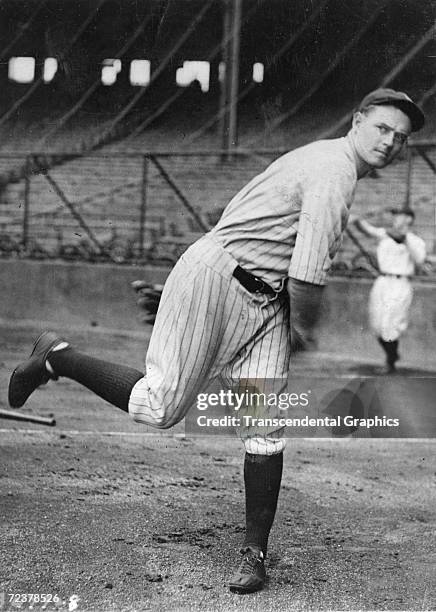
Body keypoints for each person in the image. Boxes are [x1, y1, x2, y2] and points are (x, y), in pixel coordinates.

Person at [8, 88, 425, 594]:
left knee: (265, 427)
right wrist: (300, 329)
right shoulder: (332, 167)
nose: (390, 141)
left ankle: (254, 553)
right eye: (382, 127)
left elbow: (258, 231)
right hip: (224, 279)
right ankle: (59, 357)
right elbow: (307, 277)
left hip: (263, 295)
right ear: (357, 121)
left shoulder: (324, 162)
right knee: (160, 407)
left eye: (400, 137)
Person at [352, 209, 426, 373]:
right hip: (382, 281)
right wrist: (356, 219)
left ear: (410, 221)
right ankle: (392, 355)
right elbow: (366, 229)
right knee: (377, 324)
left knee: (390, 324)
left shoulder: (415, 241)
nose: (399, 222)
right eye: (397, 219)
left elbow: (420, 259)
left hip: (400, 284)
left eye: (403, 220)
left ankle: (390, 362)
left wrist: (405, 238)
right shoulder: (384, 235)